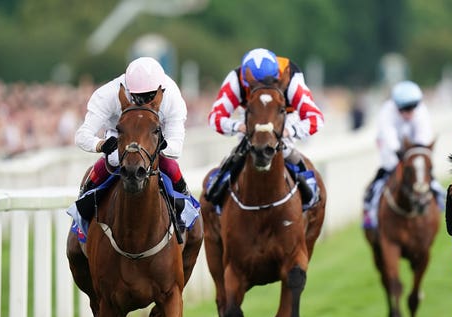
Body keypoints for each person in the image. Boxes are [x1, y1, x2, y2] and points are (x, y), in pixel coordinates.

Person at [206, 48, 324, 205]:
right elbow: (215, 117)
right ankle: (219, 187)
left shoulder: (292, 79)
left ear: (277, 78)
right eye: (254, 87)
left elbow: (316, 118)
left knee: (285, 148)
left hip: (284, 115)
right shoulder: (235, 80)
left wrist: (290, 131)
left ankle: (309, 188)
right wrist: (238, 126)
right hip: (252, 114)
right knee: (243, 149)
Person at [75, 56, 190, 196]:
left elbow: (176, 147)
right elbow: (82, 135)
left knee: (170, 165)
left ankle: (186, 199)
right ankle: (84, 197)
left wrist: (160, 144)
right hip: (121, 134)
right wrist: (100, 144)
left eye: (150, 96)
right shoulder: (107, 95)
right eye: (140, 97)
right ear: (129, 90)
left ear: (161, 91)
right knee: (113, 158)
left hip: (153, 135)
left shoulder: (173, 97)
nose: (145, 103)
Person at [362, 80, 446, 230]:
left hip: (413, 150)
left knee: (425, 173)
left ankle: (440, 199)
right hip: (391, 152)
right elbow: (389, 139)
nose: (409, 112)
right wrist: (400, 156)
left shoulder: (421, 111)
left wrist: (416, 156)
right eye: (405, 109)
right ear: (397, 106)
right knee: (381, 177)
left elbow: (423, 137)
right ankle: (370, 210)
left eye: (412, 108)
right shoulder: (386, 112)